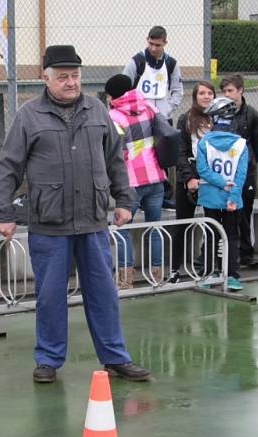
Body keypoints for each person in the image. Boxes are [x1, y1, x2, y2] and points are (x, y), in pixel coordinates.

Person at [0, 44, 151, 384]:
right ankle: (48, 359)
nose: (71, 83)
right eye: (62, 77)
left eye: (75, 76)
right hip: (49, 224)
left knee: (103, 294)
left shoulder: (97, 110)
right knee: (51, 297)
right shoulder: (29, 115)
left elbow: (115, 160)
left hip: (92, 220)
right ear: (45, 78)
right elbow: (9, 166)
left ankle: (115, 357)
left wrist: (124, 199)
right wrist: (3, 212)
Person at [104, 73, 168, 287]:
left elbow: (116, 150)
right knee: (155, 227)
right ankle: (157, 275)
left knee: (123, 230)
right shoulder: (148, 107)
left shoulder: (114, 116)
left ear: (112, 95)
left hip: (130, 181)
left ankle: (125, 279)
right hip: (156, 176)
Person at [195, 97, 248, 292]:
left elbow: (202, 169)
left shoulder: (204, 143)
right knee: (232, 236)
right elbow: (241, 174)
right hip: (232, 198)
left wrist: (221, 183)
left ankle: (209, 273)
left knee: (210, 235)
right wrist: (233, 193)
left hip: (210, 195)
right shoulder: (241, 144)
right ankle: (232, 275)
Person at [169, 80, 216, 283]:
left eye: (210, 93)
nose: (206, 97)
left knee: (212, 224)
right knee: (183, 225)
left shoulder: (219, 119)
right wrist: (189, 178)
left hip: (212, 179)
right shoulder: (186, 119)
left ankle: (208, 267)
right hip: (189, 177)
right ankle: (174, 270)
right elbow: (180, 152)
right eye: (202, 93)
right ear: (195, 97)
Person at [220, 74, 258, 269]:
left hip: (246, 172)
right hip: (226, 172)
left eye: (230, 90)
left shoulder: (252, 115)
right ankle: (228, 255)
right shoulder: (220, 113)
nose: (227, 95)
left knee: (245, 212)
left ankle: (247, 253)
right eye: (224, 91)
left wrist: (249, 162)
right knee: (227, 213)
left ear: (240, 91)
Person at [122, 25, 184, 122]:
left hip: (164, 118)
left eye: (158, 45)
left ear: (165, 43)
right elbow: (123, 89)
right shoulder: (136, 62)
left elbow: (177, 90)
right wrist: (133, 109)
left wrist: (168, 109)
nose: (153, 48)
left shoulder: (171, 64)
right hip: (139, 118)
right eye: (151, 44)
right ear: (147, 39)